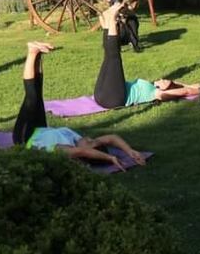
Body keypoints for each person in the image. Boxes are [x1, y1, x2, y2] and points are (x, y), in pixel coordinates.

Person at [12, 41, 145, 171]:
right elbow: (112, 138)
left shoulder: (67, 151)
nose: (89, 138)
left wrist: (109, 158)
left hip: (26, 137)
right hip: (40, 128)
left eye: (89, 143)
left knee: (32, 97)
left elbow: (82, 152)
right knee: (37, 91)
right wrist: (130, 151)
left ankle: (32, 52)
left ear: (88, 153)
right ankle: (37, 54)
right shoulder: (79, 141)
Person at [93, 0, 199, 109]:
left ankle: (111, 19)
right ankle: (107, 24)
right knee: (108, 56)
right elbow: (184, 87)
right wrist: (188, 85)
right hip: (101, 94)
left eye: (166, 82)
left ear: (165, 89)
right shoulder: (153, 85)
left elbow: (186, 92)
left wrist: (199, 90)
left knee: (114, 57)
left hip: (113, 99)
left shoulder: (155, 94)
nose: (163, 79)